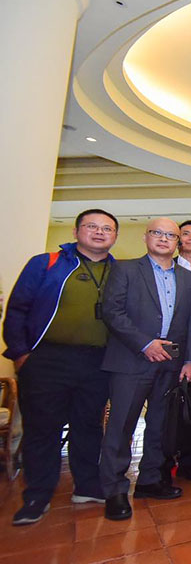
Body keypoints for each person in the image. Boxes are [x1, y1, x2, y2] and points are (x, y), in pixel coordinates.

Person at [3, 209, 119, 525]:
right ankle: (37, 495)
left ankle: (88, 486)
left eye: (107, 228)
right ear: (76, 231)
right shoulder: (47, 263)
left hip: (97, 361)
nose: (99, 232)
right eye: (92, 226)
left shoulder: (119, 271)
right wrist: (21, 354)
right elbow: (17, 310)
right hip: (47, 359)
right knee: (42, 427)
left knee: (89, 425)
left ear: (115, 236)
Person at [99, 219, 191, 520]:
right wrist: (145, 344)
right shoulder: (125, 269)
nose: (164, 239)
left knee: (160, 424)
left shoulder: (189, 279)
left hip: (170, 363)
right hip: (131, 361)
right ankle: (115, 490)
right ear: (146, 237)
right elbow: (112, 312)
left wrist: (189, 360)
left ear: (178, 242)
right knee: (122, 426)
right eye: (157, 233)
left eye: (171, 235)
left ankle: (150, 480)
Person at [162, 220, 191, 483]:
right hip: (170, 351)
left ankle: (189, 461)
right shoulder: (167, 268)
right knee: (168, 410)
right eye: (186, 234)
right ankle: (163, 461)